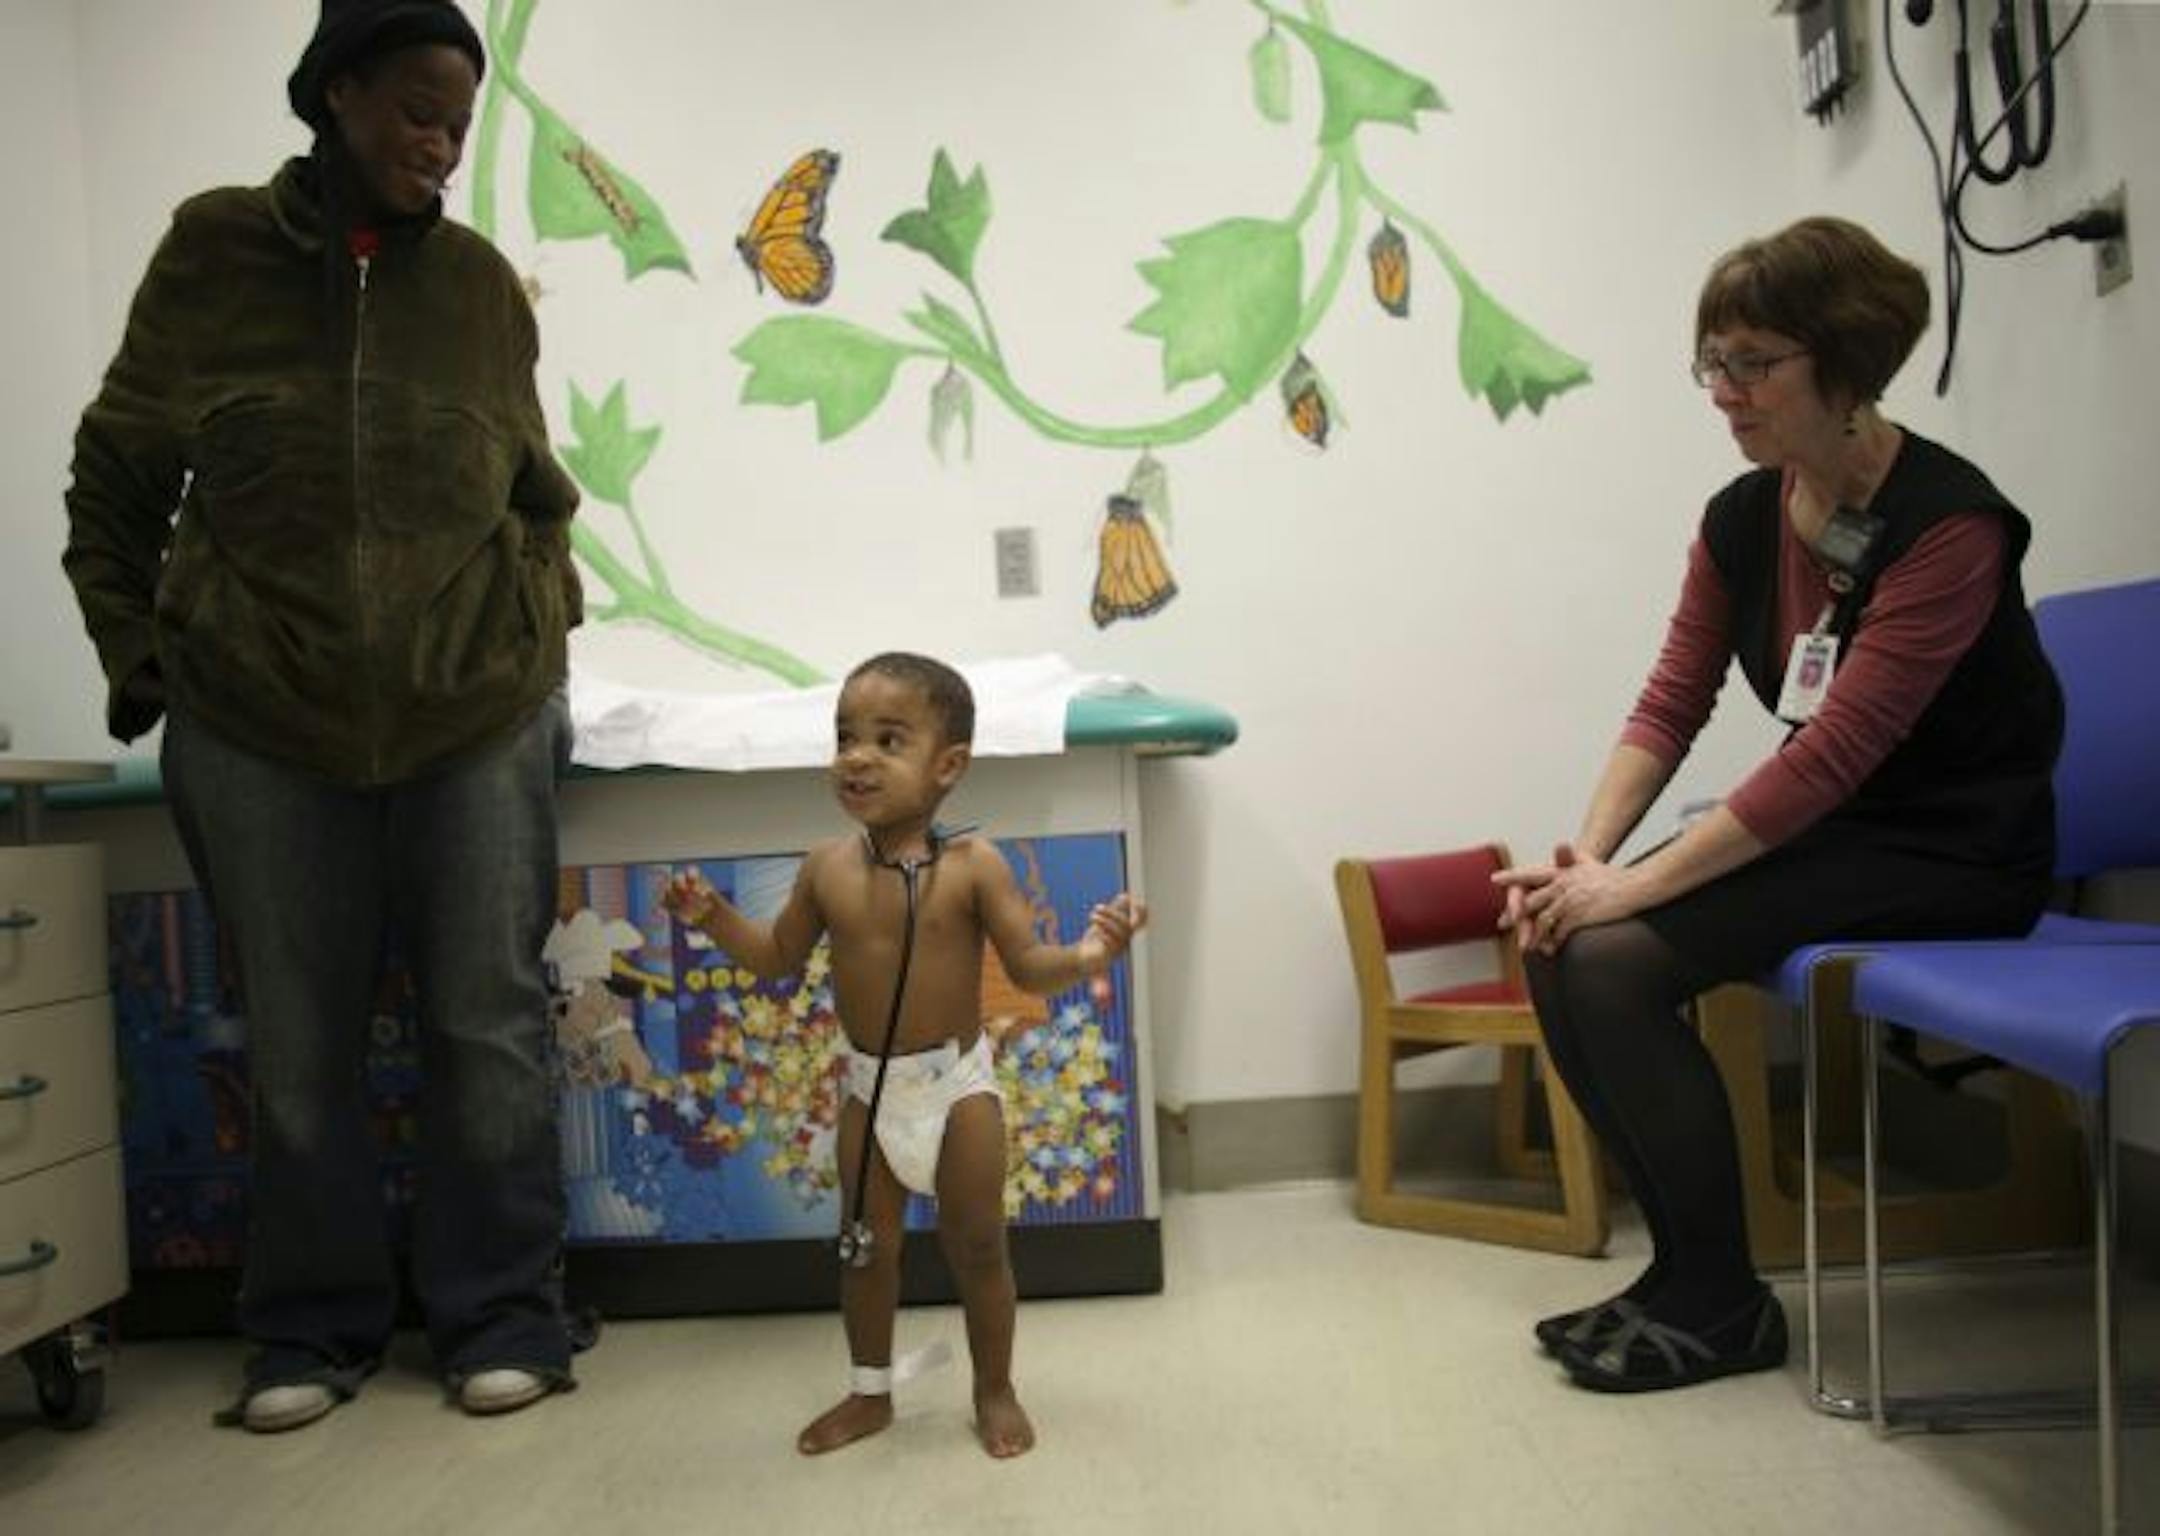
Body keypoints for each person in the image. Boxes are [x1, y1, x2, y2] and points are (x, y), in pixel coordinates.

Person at [62, 0, 586, 1430]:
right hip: (257, 723)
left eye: (461, 125)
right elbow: (113, 477)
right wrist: (144, 655)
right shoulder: (212, 252)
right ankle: (309, 1331)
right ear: (335, 91)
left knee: (487, 1022)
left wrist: (540, 648)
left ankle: (505, 1314)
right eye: (418, 109)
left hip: (472, 713)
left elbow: (537, 497)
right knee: (297, 1040)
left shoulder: (479, 286)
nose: (440, 143)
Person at [1494, 216, 2062, 1394]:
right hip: (1849, 831)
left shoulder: (1950, 527)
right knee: (1561, 939)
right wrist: (1582, 864)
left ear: (1845, 368)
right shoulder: (1743, 517)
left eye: (1755, 363)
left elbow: (1833, 755)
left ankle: (1722, 1302)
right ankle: (1686, 1277)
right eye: (1714, 362)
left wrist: (1632, 889)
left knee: (1612, 961)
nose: (1725, 393)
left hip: (1961, 851)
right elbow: (1670, 701)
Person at [662, 653, 1147, 1458]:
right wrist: (713, 916)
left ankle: (995, 1388)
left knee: (979, 1246)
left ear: (947, 767)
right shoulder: (824, 869)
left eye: (888, 740)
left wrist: (1094, 953)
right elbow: (777, 960)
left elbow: (1028, 968)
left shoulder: (973, 868)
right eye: (846, 736)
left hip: (958, 1093)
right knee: (863, 1253)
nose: (857, 756)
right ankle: (870, 1395)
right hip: (868, 1093)